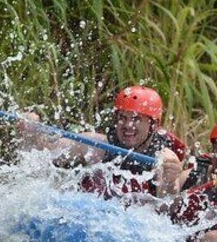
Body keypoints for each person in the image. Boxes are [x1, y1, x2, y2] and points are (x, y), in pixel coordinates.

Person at [18, 85, 187, 198]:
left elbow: (166, 206)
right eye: (122, 118)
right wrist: (32, 132)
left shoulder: (164, 157)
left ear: (154, 124)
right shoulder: (97, 145)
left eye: (136, 120)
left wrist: (170, 181)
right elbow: (44, 152)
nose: (128, 125)